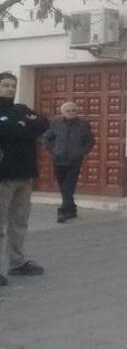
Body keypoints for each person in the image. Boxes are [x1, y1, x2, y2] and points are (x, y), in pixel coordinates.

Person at [0, 72, 49, 286]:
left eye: (13, 85)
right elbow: (15, 130)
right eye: (5, 85)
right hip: (3, 177)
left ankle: (17, 262)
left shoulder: (20, 109)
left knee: (19, 222)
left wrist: (18, 127)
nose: (10, 88)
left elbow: (43, 124)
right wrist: (23, 128)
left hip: (25, 175)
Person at [42, 102, 95, 223]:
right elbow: (46, 138)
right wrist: (52, 150)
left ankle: (63, 211)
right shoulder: (55, 123)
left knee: (67, 186)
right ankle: (72, 209)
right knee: (63, 186)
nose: (71, 113)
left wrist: (81, 152)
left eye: (73, 110)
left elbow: (90, 141)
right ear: (63, 112)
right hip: (58, 160)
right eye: (68, 111)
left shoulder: (83, 124)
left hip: (74, 161)